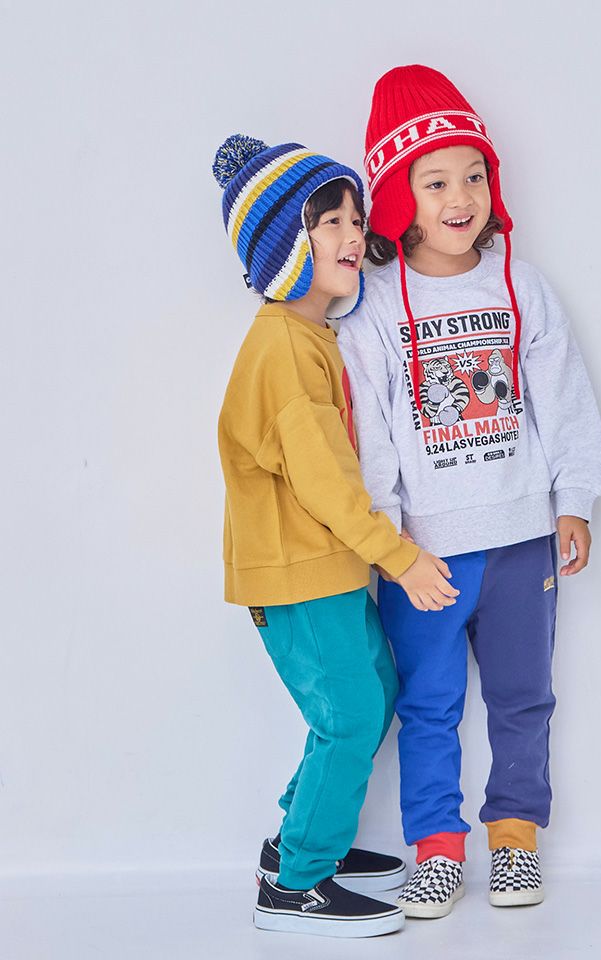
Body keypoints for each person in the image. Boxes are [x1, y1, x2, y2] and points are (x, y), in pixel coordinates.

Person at [337, 66, 601, 918]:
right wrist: (390, 543)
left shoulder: (521, 284)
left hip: (524, 537)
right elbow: (371, 433)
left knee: (525, 697)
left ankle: (516, 839)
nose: (461, 197)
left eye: (474, 175)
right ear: (398, 196)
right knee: (429, 706)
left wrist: (575, 496)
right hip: (426, 554)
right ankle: (437, 850)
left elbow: (562, 394)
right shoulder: (375, 306)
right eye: (436, 181)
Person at [212, 133, 459, 937]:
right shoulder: (284, 349)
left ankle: (297, 841)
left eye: (356, 219)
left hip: (330, 567)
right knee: (350, 716)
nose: (355, 235)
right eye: (331, 222)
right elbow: (325, 481)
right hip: (298, 572)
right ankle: (295, 887)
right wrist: (402, 558)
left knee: (373, 695)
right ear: (287, 246)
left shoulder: (311, 336)